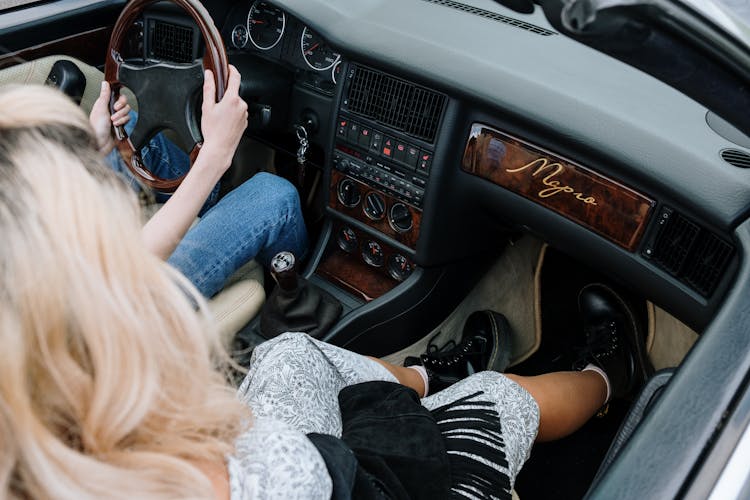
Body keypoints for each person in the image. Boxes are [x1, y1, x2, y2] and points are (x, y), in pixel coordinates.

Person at [0, 84, 650, 499]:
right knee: (498, 400)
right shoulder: (236, 483)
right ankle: (609, 375)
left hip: (283, 452)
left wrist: (91, 142)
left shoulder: (39, 426)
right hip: (356, 480)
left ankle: (430, 374)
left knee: (289, 354)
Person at [88, 66, 308, 298]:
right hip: (122, 301)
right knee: (274, 194)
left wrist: (98, 148)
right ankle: (295, 289)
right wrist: (216, 153)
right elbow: (128, 272)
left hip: (88, 254)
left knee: (125, 128)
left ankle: (212, 203)